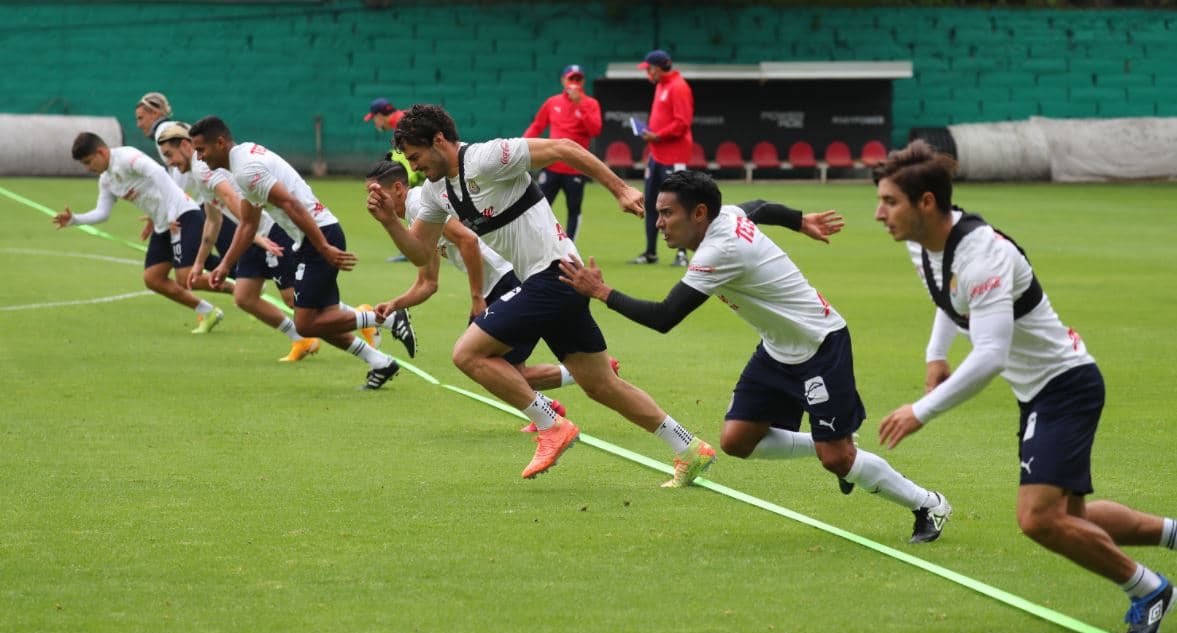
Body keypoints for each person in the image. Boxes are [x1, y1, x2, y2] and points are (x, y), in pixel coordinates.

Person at [873, 140, 1176, 633]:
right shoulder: (922, 243)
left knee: (1037, 519)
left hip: (1066, 386)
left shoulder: (984, 256)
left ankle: (1148, 588)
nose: (879, 213)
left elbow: (991, 354)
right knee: (1071, 517)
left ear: (926, 202)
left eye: (889, 202)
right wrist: (936, 353)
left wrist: (921, 411)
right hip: (1041, 390)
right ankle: (1172, 534)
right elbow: (947, 296)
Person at [560, 170, 952, 541]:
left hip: (820, 346)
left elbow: (665, 317)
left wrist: (601, 292)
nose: (658, 223)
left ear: (699, 214)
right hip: (777, 348)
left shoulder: (718, 250)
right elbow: (761, 207)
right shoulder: (725, 215)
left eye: (666, 213)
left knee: (837, 459)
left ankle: (928, 505)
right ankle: (829, 440)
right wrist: (801, 221)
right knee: (737, 440)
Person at [366, 104, 715, 486]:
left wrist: (619, 188)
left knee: (467, 354)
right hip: (560, 280)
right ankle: (689, 448)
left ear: (439, 141)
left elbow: (565, 147)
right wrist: (388, 222)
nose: (415, 168)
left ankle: (551, 425)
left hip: (554, 273)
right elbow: (420, 252)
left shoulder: (486, 158)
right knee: (600, 385)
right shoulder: (434, 193)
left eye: (417, 158)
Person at [364, 159, 620, 432]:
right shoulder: (418, 222)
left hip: (505, 279)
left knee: (484, 363)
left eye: (376, 191)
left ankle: (564, 400)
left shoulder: (419, 204)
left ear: (399, 189)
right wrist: (395, 304)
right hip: (496, 285)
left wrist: (476, 297)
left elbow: (468, 241)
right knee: (503, 368)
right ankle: (556, 403)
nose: (371, 199)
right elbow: (428, 283)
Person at [188, 116, 413, 389]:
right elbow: (248, 223)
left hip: (318, 235)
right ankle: (380, 362)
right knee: (320, 319)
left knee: (306, 323)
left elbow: (292, 204)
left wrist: (323, 247)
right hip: (312, 238)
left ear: (220, 143)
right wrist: (225, 265)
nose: (199, 158)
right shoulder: (241, 161)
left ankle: (387, 317)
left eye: (201, 150)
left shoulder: (245, 169)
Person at [156, 122, 320, 362]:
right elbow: (213, 220)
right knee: (245, 297)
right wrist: (200, 264)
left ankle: (364, 317)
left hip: (268, 232)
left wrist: (257, 237)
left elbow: (231, 197)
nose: (169, 162)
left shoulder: (201, 169)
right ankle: (301, 339)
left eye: (170, 155)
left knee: (293, 298)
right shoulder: (198, 172)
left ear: (185, 145)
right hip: (253, 237)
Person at [54, 132, 232, 333]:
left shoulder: (127, 157)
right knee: (153, 279)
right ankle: (208, 311)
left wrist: (173, 212)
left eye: (88, 161)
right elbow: (102, 213)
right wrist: (75, 219)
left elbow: (158, 172)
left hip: (183, 214)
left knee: (185, 278)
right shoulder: (106, 180)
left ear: (101, 152)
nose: (88, 168)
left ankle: (242, 288)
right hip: (162, 225)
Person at [522, 64, 603, 242]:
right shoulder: (553, 102)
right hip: (551, 166)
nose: (574, 83)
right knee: (539, 206)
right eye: (571, 78)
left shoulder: (590, 104)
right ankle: (540, 242)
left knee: (573, 208)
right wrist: (522, 145)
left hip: (575, 169)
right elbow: (538, 125)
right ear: (563, 80)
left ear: (582, 82)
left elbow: (595, 130)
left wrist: (580, 104)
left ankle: (570, 248)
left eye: (578, 79)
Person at [632, 49, 694, 267]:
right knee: (650, 203)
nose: (647, 73)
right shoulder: (661, 85)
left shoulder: (678, 87)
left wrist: (657, 135)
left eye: (648, 68)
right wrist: (650, 133)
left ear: (657, 68)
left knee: (678, 205)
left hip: (674, 155)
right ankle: (650, 253)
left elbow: (682, 123)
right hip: (656, 155)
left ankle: (682, 254)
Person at [365, 99, 422, 261]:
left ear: (379, 116)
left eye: (373, 119)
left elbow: (409, 169)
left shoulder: (401, 124)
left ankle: (414, 243)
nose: (375, 123)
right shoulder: (403, 119)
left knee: (408, 200)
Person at [133, 91, 184, 163]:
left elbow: (179, 167)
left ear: (155, 113)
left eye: (141, 118)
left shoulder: (162, 132)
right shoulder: (169, 128)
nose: (138, 125)